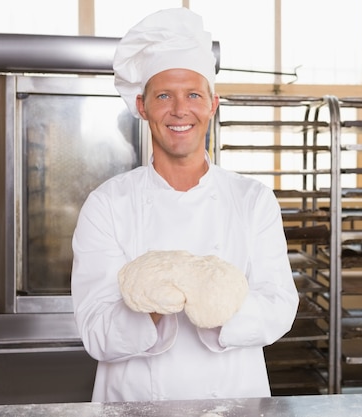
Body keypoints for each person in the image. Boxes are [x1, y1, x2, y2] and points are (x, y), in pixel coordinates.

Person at [71, 8, 299, 403]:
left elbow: (280, 306)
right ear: (142, 107)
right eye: (164, 96)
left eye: (193, 94)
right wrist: (157, 304)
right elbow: (95, 332)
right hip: (135, 404)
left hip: (233, 402)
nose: (179, 110)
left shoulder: (253, 200)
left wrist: (210, 303)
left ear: (213, 104)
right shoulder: (107, 204)